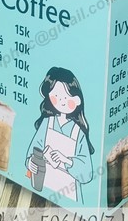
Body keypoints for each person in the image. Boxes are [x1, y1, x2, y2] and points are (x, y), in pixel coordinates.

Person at [25, 67, 94, 202]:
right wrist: (31, 162)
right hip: (43, 186)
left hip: (70, 194)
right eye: (56, 96)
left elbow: (87, 174)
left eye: (66, 97)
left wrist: (66, 160)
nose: (62, 101)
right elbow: (32, 151)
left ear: (77, 99)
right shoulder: (47, 122)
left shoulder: (78, 132)